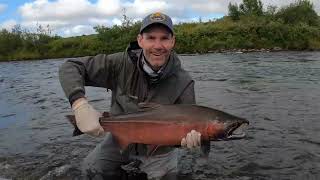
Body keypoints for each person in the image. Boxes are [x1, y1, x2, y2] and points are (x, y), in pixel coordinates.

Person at [59, 12, 202, 180]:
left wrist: (184, 141)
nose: (158, 45)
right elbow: (71, 67)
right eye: (151, 38)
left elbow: (189, 122)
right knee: (91, 171)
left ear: (172, 42)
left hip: (160, 151)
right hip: (119, 138)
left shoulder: (184, 82)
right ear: (140, 40)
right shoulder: (119, 64)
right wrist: (79, 105)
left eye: (164, 38)